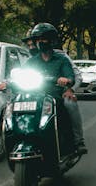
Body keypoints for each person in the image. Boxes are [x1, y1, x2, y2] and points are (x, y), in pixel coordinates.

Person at [23, 23, 87, 155]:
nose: (41, 42)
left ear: (51, 40)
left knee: (70, 103)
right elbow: (21, 75)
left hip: (56, 95)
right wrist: (7, 83)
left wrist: (67, 82)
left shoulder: (62, 59)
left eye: (44, 38)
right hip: (35, 95)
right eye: (38, 39)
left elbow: (71, 76)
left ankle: (78, 141)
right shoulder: (31, 62)